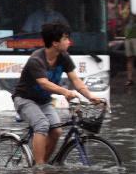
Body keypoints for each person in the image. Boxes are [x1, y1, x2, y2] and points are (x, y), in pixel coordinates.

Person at [12, 22, 103, 164]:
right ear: (55, 43)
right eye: (65, 38)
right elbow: (44, 83)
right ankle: (39, 170)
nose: (69, 42)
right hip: (24, 99)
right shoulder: (36, 59)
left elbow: (76, 80)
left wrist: (90, 96)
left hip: (43, 101)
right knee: (42, 125)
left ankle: (42, 163)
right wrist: (65, 92)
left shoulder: (63, 57)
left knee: (57, 130)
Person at [122, 0, 134, 86]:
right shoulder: (126, 7)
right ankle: (130, 79)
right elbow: (123, 20)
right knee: (129, 58)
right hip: (128, 36)